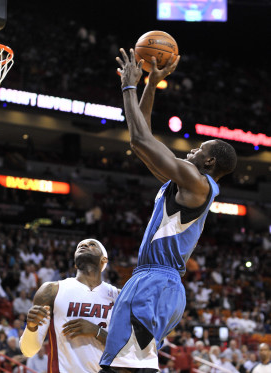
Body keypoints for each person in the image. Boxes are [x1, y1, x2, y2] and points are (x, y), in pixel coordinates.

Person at [99, 48, 237, 373]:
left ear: (210, 162)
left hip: (156, 282)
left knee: (121, 368)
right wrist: (151, 84)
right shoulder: (183, 182)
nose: (191, 150)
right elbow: (141, 139)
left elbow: (139, 138)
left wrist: (129, 86)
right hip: (155, 282)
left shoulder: (197, 181)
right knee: (129, 366)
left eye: (199, 149)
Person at [19, 239, 119, 373]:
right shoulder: (51, 290)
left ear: (104, 260)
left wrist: (97, 332)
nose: (84, 245)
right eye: (80, 246)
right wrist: (31, 327)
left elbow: (127, 350)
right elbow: (28, 351)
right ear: (75, 264)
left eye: (92, 244)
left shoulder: (118, 296)